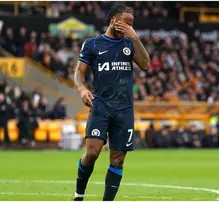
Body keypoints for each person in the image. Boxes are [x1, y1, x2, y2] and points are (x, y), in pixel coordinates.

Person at [72, 4, 150, 201]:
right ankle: (78, 195)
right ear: (114, 19)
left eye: (132, 24)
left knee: (118, 160)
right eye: (126, 22)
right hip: (101, 106)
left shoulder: (129, 43)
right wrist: (82, 89)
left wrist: (134, 37)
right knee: (92, 153)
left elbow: (146, 65)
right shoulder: (93, 44)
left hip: (124, 109)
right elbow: (79, 73)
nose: (128, 27)